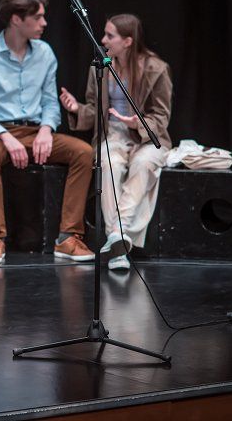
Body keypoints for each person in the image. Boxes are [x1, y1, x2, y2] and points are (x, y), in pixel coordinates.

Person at [0, 0, 95, 265]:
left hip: (36, 130)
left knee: (83, 152)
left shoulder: (44, 53)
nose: (44, 23)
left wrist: (46, 129)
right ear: (16, 19)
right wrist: (4, 135)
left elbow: (49, 101)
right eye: (38, 17)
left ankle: (68, 237)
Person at [60, 14, 172, 271]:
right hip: (113, 135)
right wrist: (76, 109)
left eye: (110, 36)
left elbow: (161, 117)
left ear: (128, 41)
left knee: (144, 164)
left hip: (147, 138)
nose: (103, 40)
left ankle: (115, 235)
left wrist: (137, 123)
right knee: (109, 164)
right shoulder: (99, 68)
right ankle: (118, 242)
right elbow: (95, 111)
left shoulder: (156, 69)